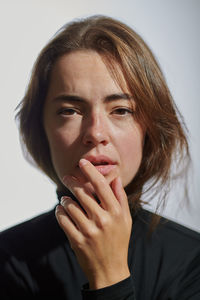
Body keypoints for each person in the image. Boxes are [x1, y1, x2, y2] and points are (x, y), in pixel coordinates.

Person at [0, 15, 199, 300]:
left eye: (120, 110)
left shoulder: (192, 262)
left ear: (150, 128)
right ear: (40, 129)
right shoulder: (6, 261)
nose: (95, 133)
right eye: (69, 110)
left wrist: (110, 277)